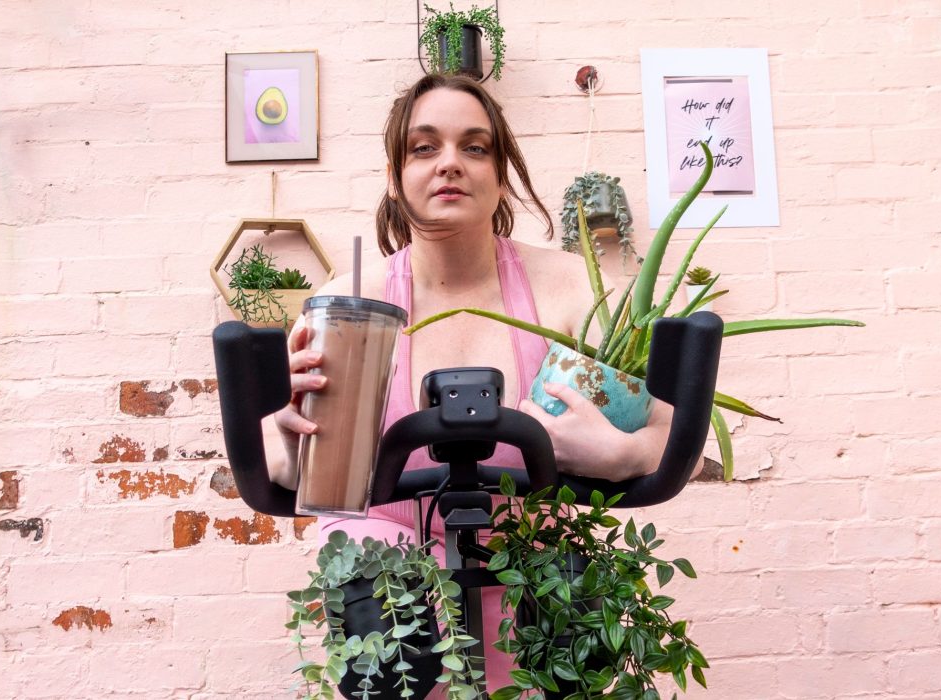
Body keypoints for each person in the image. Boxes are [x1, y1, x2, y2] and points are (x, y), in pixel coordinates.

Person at [264, 73, 703, 694]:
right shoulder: (344, 304)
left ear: (501, 177)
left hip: (532, 559)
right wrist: (290, 438)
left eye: (474, 147)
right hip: (388, 569)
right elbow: (277, 465)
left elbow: (666, 430)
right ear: (395, 176)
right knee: (386, 650)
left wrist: (625, 452)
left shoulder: (575, 289)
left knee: (555, 663)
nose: (449, 163)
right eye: (424, 147)